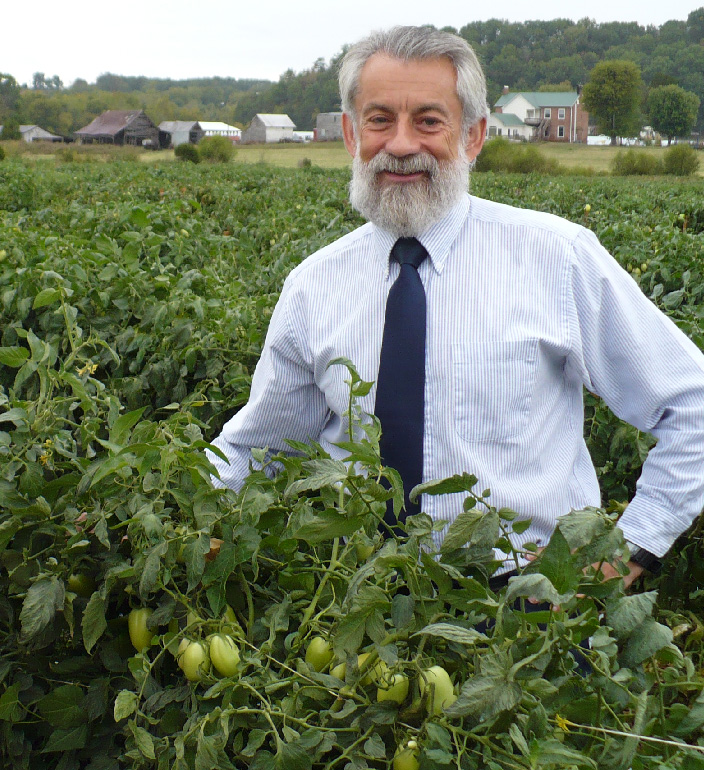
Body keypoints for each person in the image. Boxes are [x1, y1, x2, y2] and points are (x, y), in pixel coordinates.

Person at [208, 26, 704, 588]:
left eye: (428, 120)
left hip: (531, 615)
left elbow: (692, 402)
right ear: (351, 134)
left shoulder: (556, 258)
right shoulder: (313, 287)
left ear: (473, 136)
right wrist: (153, 513)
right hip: (357, 614)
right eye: (379, 119)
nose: (400, 144)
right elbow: (259, 448)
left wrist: (634, 547)